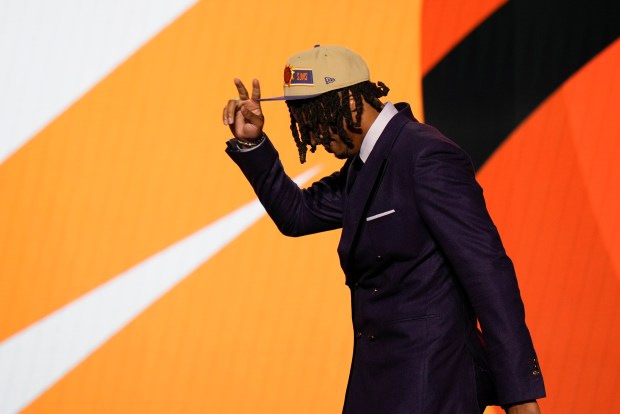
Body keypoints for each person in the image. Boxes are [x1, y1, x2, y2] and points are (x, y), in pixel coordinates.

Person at [222, 45, 545, 413]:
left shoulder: (424, 155)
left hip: (431, 387)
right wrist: (252, 144)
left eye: (316, 116)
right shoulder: (364, 168)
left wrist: (518, 391)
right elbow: (297, 214)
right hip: (375, 386)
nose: (312, 135)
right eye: (302, 120)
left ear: (349, 100)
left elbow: (487, 272)